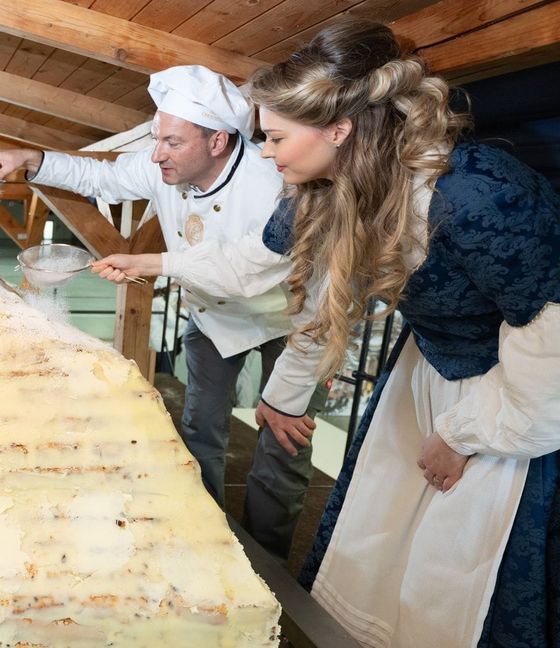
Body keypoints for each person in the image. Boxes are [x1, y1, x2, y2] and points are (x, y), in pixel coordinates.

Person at [239, 19, 559, 647]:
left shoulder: (474, 193)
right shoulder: (339, 188)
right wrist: (284, 394)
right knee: (383, 551)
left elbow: (551, 338)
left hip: (514, 403)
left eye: (275, 137)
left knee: (452, 573)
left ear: (339, 129)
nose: (267, 152)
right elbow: (326, 301)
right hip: (424, 376)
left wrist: (462, 435)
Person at [0, 65, 328, 562]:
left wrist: (150, 262)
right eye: (157, 139)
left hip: (294, 322)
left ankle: (266, 561)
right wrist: (32, 159)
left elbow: (243, 269)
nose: (156, 154)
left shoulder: (274, 181)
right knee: (200, 432)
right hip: (213, 319)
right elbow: (102, 176)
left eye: (172, 142)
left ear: (217, 141)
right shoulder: (164, 167)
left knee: (283, 446)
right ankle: (208, 545)